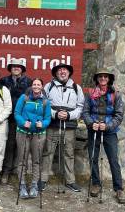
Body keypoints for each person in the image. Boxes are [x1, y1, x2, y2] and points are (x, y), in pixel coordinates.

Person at [82, 68, 125, 204]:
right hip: (94, 130)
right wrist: (90, 123)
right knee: (93, 158)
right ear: (97, 79)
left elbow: (119, 115)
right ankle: (96, 184)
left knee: (113, 160)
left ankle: (118, 188)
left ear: (109, 79)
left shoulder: (115, 95)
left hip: (110, 132)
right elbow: (85, 112)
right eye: (100, 77)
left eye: (105, 77)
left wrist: (108, 125)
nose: (103, 79)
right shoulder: (90, 94)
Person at [41, 63, 84, 192]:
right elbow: (44, 104)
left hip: (69, 126)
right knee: (48, 152)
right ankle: (43, 179)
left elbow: (80, 107)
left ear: (69, 72)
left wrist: (69, 115)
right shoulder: (48, 87)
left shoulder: (76, 88)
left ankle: (70, 181)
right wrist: (54, 114)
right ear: (56, 73)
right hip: (53, 125)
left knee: (69, 153)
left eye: (64, 70)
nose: (62, 72)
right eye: (59, 70)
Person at [14, 78, 51, 198]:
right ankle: (22, 185)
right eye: (34, 84)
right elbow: (17, 113)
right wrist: (22, 122)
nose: (36, 86)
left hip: (38, 134)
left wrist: (43, 124)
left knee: (36, 160)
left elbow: (48, 118)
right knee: (22, 160)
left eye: (38, 84)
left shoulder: (45, 102)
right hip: (23, 132)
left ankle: (34, 185)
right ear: (32, 86)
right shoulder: (24, 98)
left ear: (42, 87)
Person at [0, 58, 32, 184]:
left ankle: (20, 172)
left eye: (19, 66)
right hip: (8, 118)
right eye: (14, 66)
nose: (16, 68)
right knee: (9, 145)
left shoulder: (29, 82)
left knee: (22, 146)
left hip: (24, 120)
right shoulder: (3, 81)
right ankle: (6, 171)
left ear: (22, 68)